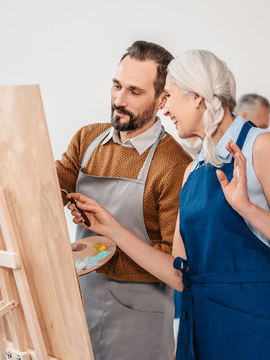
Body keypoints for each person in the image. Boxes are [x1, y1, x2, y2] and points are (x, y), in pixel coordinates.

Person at [68, 49, 270, 360]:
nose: (163, 107)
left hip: (259, 330)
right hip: (203, 332)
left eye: (168, 96)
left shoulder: (262, 147)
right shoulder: (194, 170)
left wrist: (247, 208)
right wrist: (112, 228)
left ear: (197, 99)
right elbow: (179, 274)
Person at [56, 40, 192, 360]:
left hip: (139, 317)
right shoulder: (87, 140)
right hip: (80, 303)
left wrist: (111, 236)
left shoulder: (174, 165)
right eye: (117, 85)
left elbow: (178, 266)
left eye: (134, 91)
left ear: (162, 100)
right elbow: (47, 191)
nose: (119, 100)